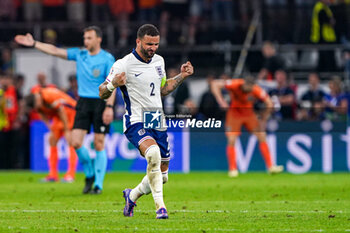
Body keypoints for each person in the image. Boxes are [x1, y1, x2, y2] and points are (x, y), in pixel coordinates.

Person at [99, 24, 194, 219]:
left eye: (156, 44)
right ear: (138, 41)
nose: (153, 48)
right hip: (135, 120)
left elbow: (162, 89)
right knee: (153, 154)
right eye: (149, 44)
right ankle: (161, 208)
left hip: (156, 119)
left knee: (163, 175)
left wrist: (181, 77)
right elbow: (102, 92)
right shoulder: (123, 64)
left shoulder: (159, 61)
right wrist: (113, 84)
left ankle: (131, 195)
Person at [15, 26, 116, 194]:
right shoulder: (80, 54)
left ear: (99, 39)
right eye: (85, 38)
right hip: (82, 102)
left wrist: (109, 107)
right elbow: (54, 51)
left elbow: (113, 84)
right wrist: (34, 43)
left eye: (89, 38)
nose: (86, 41)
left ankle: (98, 184)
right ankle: (90, 173)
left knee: (99, 144)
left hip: (101, 102)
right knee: (75, 142)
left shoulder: (107, 59)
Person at [211, 76, 284, 177]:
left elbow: (269, 103)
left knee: (262, 136)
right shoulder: (235, 84)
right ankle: (232, 169)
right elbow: (215, 84)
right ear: (244, 84)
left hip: (249, 114)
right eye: (247, 88)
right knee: (232, 139)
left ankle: (271, 166)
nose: (249, 90)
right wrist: (221, 101)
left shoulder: (256, 90)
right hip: (234, 114)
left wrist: (264, 118)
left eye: (251, 89)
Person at [26, 87, 78, 182]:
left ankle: (70, 174)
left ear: (37, 99)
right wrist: (50, 127)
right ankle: (53, 175)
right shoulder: (37, 100)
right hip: (58, 116)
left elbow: (61, 110)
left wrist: (66, 129)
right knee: (52, 140)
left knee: (70, 141)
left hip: (70, 113)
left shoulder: (48, 96)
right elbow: (41, 113)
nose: (37, 107)